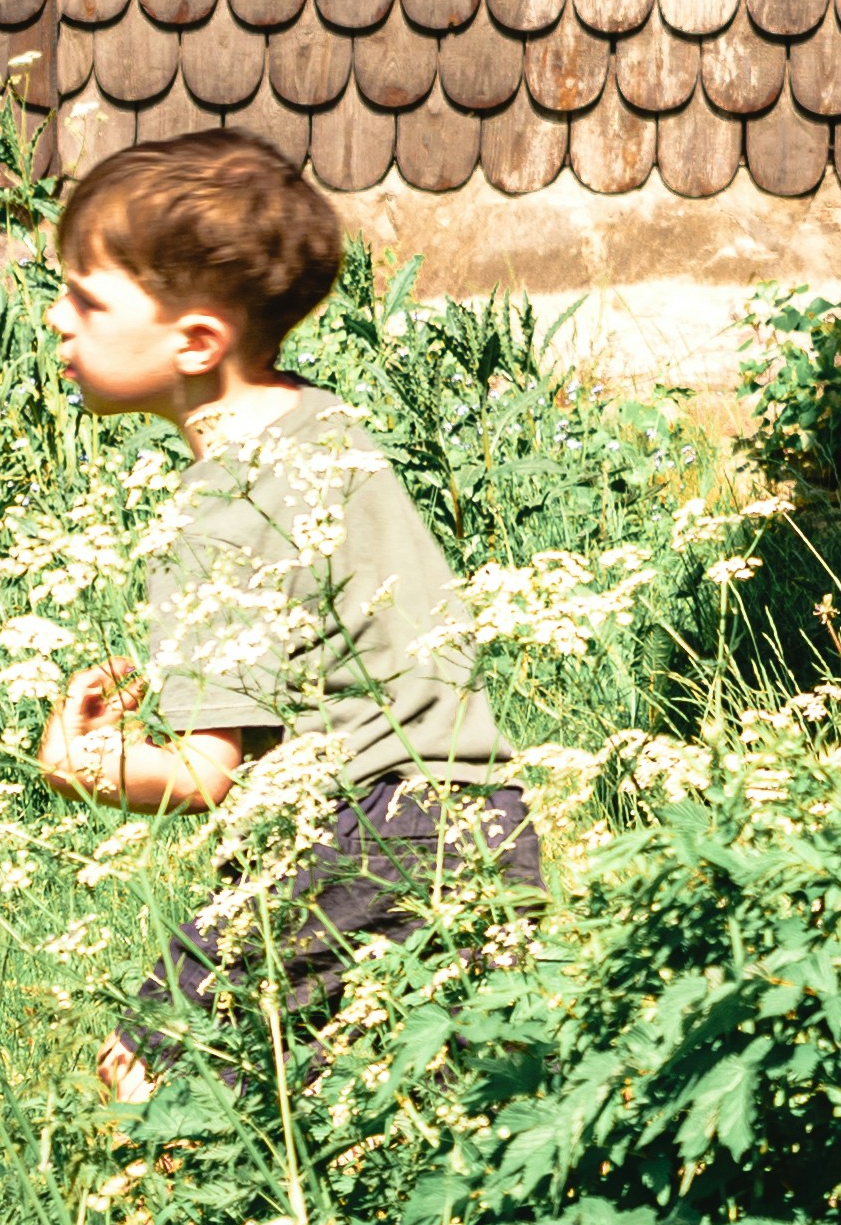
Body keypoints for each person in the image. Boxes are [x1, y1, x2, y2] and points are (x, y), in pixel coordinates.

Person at [34, 131, 542, 1102]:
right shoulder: (325, 426)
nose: (59, 320)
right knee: (413, 1109)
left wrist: (80, 767)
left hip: (359, 835)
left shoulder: (220, 510)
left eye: (88, 300)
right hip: (488, 824)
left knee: (154, 1072)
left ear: (194, 341)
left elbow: (203, 774)